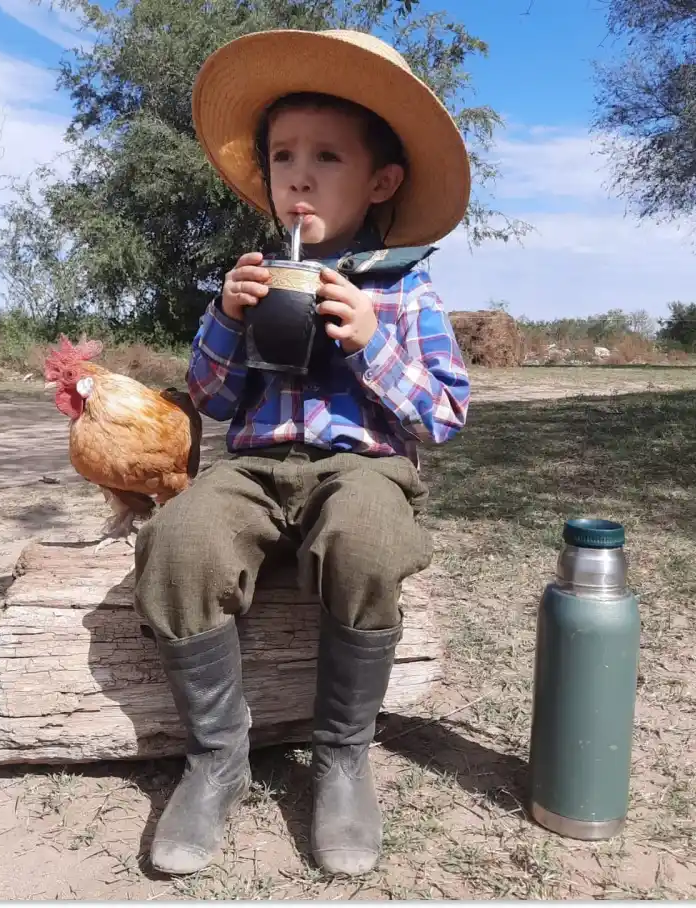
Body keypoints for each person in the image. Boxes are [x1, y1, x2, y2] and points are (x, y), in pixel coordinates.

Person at [134, 27, 471, 878]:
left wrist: (368, 342)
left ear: (381, 180)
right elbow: (207, 402)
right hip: (251, 467)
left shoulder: (404, 286)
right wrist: (226, 319)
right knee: (179, 540)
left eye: (328, 156)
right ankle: (217, 758)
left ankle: (343, 757)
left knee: (367, 536)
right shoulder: (250, 274)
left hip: (362, 467)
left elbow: (444, 414)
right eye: (284, 156)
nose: (301, 174)